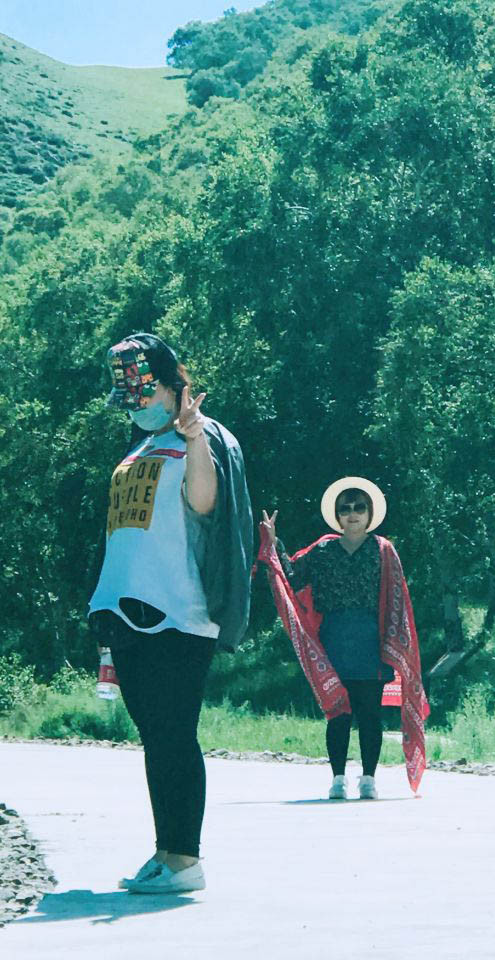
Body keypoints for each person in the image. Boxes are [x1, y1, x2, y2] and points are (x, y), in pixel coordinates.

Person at [88, 333, 253, 894]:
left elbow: (205, 504)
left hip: (179, 612)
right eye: (129, 399)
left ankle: (186, 860)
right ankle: (166, 851)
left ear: (171, 383)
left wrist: (193, 434)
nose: (137, 406)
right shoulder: (138, 448)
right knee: (155, 737)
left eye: (145, 394)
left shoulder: (202, 437)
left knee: (175, 733)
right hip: (125, 609)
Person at [258, 477, 429, 800]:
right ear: (337, 516)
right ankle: (338, 779)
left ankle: (368, 779)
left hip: (371, 641)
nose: (352, 514)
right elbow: (291, 578)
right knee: (338, 713)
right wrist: (273, 540)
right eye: (345, 508)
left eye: (359, 507)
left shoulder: (383, 550)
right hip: (333, 640)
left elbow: (397, 600)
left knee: (370, 713)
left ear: (369, 513)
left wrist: (396, 645)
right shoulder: (322, 550)